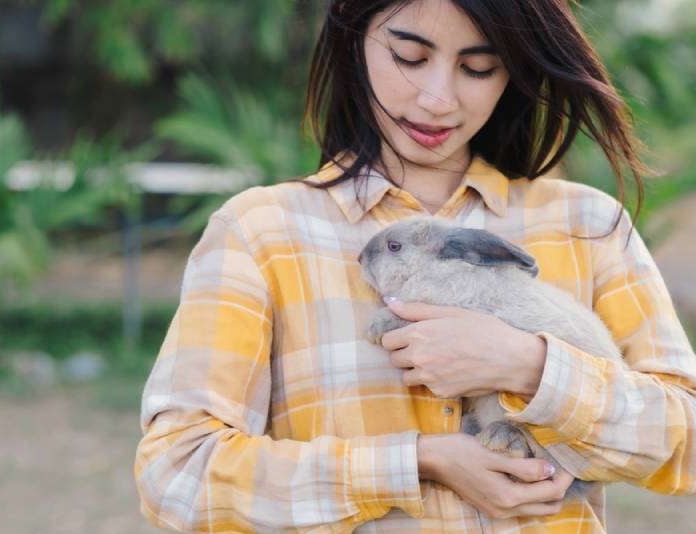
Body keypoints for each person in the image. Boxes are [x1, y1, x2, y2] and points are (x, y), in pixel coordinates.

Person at [135, 1, 696, 532]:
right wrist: (414, 462)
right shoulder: (260, 232)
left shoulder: (588, 225)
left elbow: (687, 447)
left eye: (478, 68)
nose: (438, 99)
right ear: (355, 39)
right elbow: (177, 475)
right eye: (410, 56)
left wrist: (530, 367)